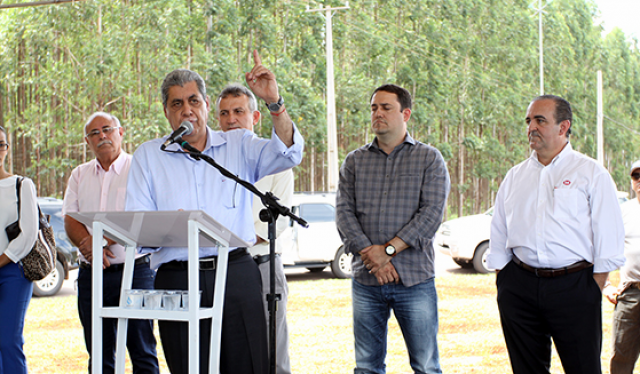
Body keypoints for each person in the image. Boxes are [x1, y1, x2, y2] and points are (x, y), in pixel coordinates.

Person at [125, 50, 303, 374]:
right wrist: (172, 227)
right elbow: (138, 227)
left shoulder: (239, 145)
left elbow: (288, 152)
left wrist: (275, 103)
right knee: (188, 365)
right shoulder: (149, 156)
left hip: (235, 273)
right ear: (166, 112)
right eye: (176, 104)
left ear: (206, 106)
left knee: (248, 364)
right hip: (177, 278)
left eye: (193, 101)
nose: (187, 110)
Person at [487, 94, 625, 374]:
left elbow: (608, 237)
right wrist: (505, 281)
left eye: (540, 120)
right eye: (528, 121)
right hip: (519, 288)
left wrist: (592, 288)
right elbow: (499, 230)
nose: (531, 128)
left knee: (583, 369)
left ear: (563, 127)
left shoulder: (591, 174)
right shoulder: (515, 176)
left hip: (574, 287)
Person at [335, 84, 450, 374]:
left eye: (386, 107)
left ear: (405, 113)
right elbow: (343, 213)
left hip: (415, 281)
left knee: (425, 365)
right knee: (366, 367)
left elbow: (431, 214)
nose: (378, 113)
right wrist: (370, 255)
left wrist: (387, 251)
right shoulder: (354, 162)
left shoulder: (429, 159)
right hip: (366, 281)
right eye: (374, 107)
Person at [62, 112, 159, 374]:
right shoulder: (79, 174)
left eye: (107, 129)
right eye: (95, 133)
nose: (102, 136)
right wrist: (87, 243)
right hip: (92, 275)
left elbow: (141, 215)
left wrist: (100, 241)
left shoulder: (138, 168)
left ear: (121, 132)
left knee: (143, 351)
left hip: (135, 271)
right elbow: (70, 217)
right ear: (87, 141)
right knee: (99, 353)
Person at [216, 83, 294, 374]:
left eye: (238, 111)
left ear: (255, 117)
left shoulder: (276, 159)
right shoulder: (209, 161)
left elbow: (275, 222)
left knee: (273, 351)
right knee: (228, 350)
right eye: (224, 113)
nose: (231, 119)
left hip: (262, 267)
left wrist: (228, 241)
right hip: (220, 270)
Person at [0, 125, 38, 374]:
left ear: (6, 149)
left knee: (8, 340)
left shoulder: (21, 185)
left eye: (0, 144)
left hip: (13, 271)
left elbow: (28, 235)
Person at [604, 160, 640, 373]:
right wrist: (607, 285)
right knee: (620, 360)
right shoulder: (622, 211)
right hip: (630, 294)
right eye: (636, 176)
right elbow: (606, 248)